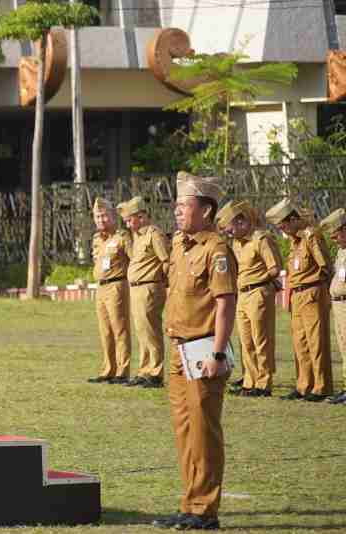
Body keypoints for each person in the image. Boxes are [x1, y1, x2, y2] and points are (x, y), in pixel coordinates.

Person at [153, 172, 236, 531]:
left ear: (205, 210)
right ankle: (190, 503)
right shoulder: (179, 245)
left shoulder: (216, 249)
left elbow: (225, 303)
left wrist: (217, 355)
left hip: (203, 350)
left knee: (204, 432)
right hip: (177, 350)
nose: (177, 211)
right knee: (185, 432)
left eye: (184, 206)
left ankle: (205, 509)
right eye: (176, 205)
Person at [265, 199, 333, 402]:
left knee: (316, 342)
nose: (283, 230)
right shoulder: (295, 242)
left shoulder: (311, 236)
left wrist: (320, 291)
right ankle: (304, 385)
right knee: (300, 343)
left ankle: (321, 387)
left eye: (284, 226)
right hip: (297, 296)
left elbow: (325, 267)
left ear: (294, 219)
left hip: (312, 294)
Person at [218, 200, 283, 397]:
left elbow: (275, 268)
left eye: (230, 229)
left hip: (258, 293)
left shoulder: (261, 239)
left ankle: (263, 384)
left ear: (241, 221)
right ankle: (250, 381)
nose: (229, 234)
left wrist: (258, 281)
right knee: (245, 341)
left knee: (261, 339)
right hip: (242, 295)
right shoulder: (236, 243)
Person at [117, 196, 170, 388]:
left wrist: (163, 284)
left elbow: (166, 261)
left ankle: (156, 372)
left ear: (141, 216)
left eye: (129, 220)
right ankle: (144, 370)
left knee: (151, 331)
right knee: (141, 332)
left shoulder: (154, 234)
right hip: (137, 289)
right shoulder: (138, 236)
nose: (127, 224)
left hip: (149, 288)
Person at [87, 197, 132, 384]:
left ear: (113, 216)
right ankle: (108, 369)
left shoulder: (122, 237)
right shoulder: (97, 239)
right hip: (101, 287)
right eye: (97, 217)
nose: (101, 220)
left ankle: (122, 370)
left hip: (117, 286)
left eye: (104, 216)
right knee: (105, 331)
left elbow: (134, 260)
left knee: (119, 329)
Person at [320, 208, 346, 405]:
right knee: (343, 347)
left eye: (336, 235)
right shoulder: (341, 251)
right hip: (338, 305)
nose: (334, 240)